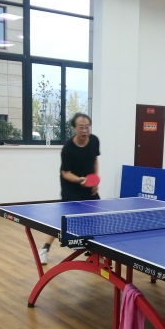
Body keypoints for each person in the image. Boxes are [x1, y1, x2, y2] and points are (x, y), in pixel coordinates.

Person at [39, 113, 100, 265]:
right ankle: (45, 248)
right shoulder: (68, 149)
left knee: (96, 216)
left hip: (88, 184)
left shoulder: (94, 140)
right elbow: (65, 173)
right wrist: (80, 180)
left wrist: (95, 179)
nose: (85, 130)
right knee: (65, 221)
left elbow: (94, 160)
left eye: (87, 127)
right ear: (74, 128)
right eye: (81, 127)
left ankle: (94, 251)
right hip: (71, 187)